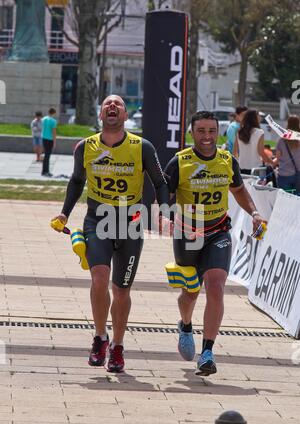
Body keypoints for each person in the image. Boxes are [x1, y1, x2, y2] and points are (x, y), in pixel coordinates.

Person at [51, 95, 169, 373]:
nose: (112, 107)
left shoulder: (142, 147)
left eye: (118, 104)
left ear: (126, 116)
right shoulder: (85, 147)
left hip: (130, 222)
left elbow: (160, 182)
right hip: (97, 219)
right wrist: (65, 212)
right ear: (101, 114)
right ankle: (100, 337)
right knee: (99, 278)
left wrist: (163, 210)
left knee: (122, 290)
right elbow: (77, 181)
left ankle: (117, 345)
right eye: (107, 104)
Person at [164, 111, 265, 376]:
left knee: (217, 284)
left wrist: (254, 212)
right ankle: (185, 325)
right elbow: (165, 199)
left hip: (219, 231)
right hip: (188, 233)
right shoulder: (179, 162)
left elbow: (239, 190)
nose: (207, 137)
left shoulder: (226, 160)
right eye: (201, 131)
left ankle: (207, 352)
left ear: (218, 132)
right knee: (191, 292)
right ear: (191, 133)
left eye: (211, 131)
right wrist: (173, 217)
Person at [233, 108, 274, 174]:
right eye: (258, 116)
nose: (260, 117)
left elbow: (235, 151)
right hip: (255, 168)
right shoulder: (259, 132)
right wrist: (271, 162)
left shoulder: (239, 132)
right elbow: (261, 152)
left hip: (241, 167)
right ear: (255, 118)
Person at [274, 115, 300, 194]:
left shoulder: (281, 140)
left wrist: (271, 164)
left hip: (284, 174)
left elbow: (277, 159)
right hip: (298, 175)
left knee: (284, 199)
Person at [41, 107, 57, 177]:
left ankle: (44, 170)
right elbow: (53, 132)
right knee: (48, 156)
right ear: (53, 113)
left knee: (45, 155)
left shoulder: (43, 119)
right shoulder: (53, 121)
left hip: (44, 138)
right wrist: (54, 141)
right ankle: (46, 171)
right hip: (50, 139)